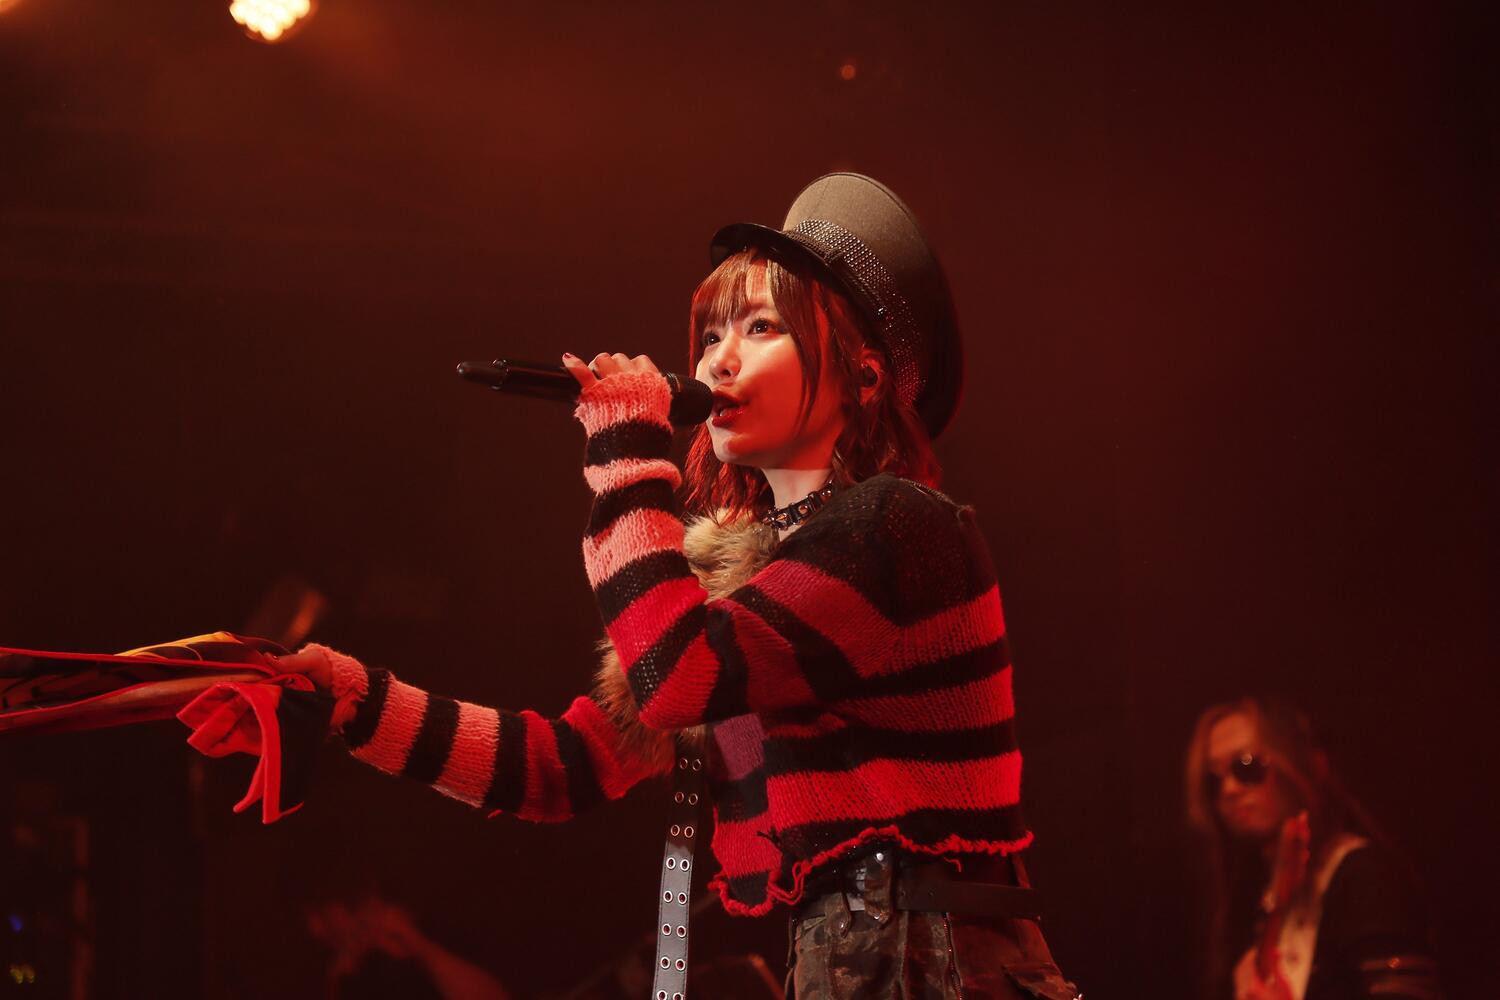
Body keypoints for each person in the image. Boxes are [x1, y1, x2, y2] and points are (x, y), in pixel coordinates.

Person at [280, 173, 1076, 998]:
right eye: (712, 333)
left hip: (948, 969)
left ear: (862, 378)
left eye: (760, 327)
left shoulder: (897, 529)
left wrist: (627, 459)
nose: (718, 358)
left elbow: (680, 676)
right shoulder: (744, 584)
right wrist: (352, 700)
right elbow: (563, 765)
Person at [1185, 697, 1444, 1000]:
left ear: (1304, 764)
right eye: (1213, 780)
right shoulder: (1246, 899)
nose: (1229, 789)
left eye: (1246, 765)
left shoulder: (1363, 877)